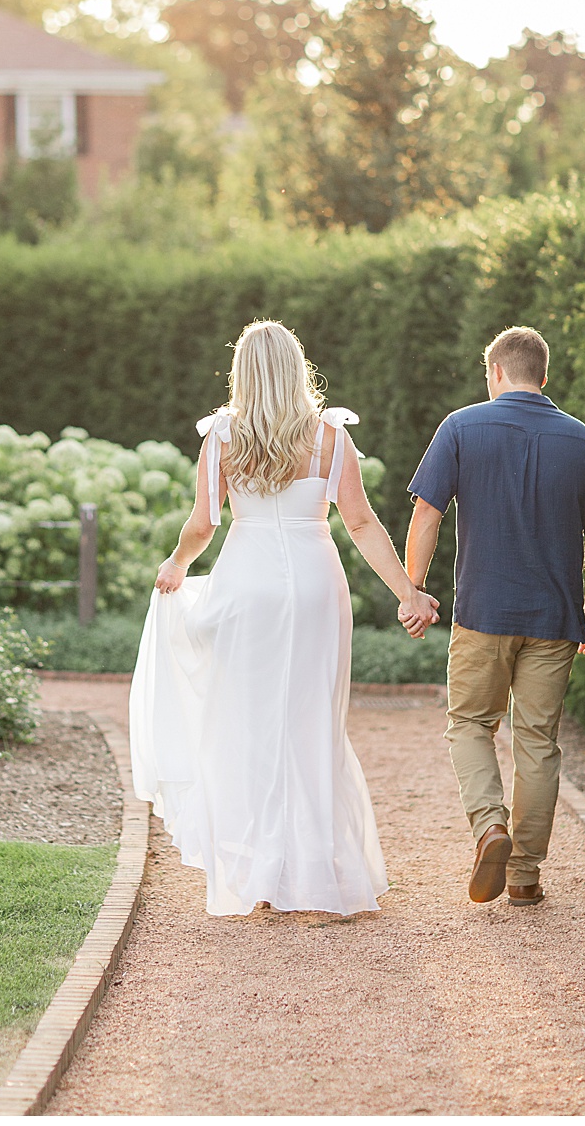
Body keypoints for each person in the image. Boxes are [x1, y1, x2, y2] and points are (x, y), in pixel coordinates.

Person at [131, 319, 438, 917]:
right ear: (298, 369)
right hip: (317, 587)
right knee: (312, 724)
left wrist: (174, 565)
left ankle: (262, 873)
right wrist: (408, 592)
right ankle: (316, 870)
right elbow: (361, 524)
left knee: (249, 725)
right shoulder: (331, 437)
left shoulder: (223, 436)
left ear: (242, 372)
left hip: (248, 588)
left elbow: (203, 525)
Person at [400, 325, 585, 908]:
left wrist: (412, 589)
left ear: (495, 372)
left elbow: (427, 513)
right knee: (537, 742)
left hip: (482, 613)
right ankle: (524, 873)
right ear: (543, 377)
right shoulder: (582, 440)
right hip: (554, 620)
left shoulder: (461, 427)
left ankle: (489, 827)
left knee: (471, 724)